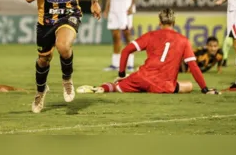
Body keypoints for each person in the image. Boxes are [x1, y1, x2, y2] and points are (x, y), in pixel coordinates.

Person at [25, 0, 101, 113]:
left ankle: (67, 80)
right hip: (46, 21)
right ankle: (40, 91)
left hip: (69, 14)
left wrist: (94, 1)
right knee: (43, 60)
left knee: (64, 46)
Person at [77, 9, 219, 95]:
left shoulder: (150, 35)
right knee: (188, 85)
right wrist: (205, 89)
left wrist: (121, 75)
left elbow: (126, 51)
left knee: (115, 87)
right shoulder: (183, 40)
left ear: (159, 22)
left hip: (141, 78)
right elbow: (193, 67)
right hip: (164, 86)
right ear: (174, 23)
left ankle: (101, 88)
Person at [103, 0, 137, 72]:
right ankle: (115, 64)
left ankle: (130, 64)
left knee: (127, 34)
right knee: (115, 36)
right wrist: (107, 8)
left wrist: (131, 6)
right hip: (113, 9)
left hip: (125, 7)